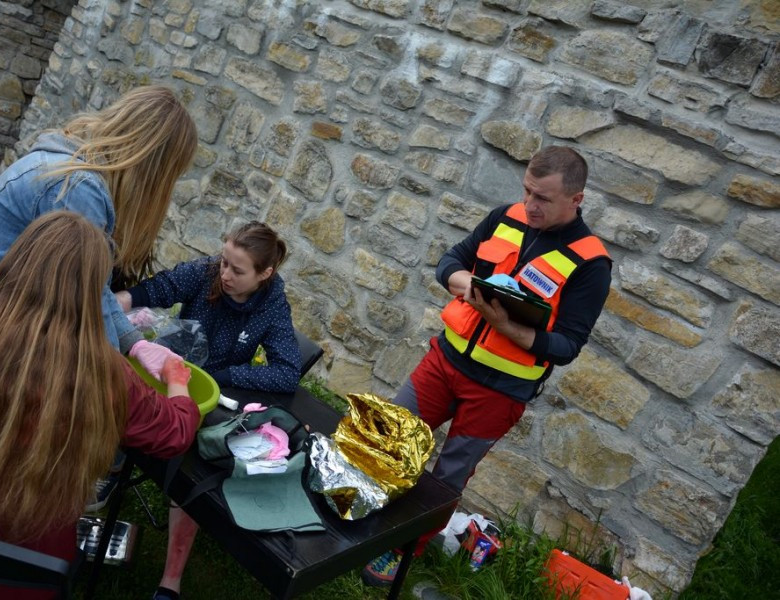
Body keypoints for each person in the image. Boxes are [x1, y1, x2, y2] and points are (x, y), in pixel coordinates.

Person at [0, 212, 201, 599]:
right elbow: (175, 431)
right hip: (20, 580)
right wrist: (177, 379)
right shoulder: (103, 375)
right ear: (91, 290)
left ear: (12, 265)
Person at [362, 146, 613, 587]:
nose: (530, 205)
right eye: (527, 191)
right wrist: (471, 287)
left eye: (544, 198)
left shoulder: (592, 263)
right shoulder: (505, 217)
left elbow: (568, 345)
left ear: (577, 199)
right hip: (445, 361)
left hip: (500, 392)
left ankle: (400, 552)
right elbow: (449, 263)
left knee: (448, 477)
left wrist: (506, 324)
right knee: (388, 433)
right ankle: (360, 511)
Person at [0, 84, 198, 356]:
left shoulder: (71, 164)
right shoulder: (79, 189)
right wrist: (118, 374)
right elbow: (86, 300)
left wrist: (134, 346)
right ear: (156, 168)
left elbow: (95, 289)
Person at [116, 220, 301, 600]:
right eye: (224, 262)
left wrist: (223, 374)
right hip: (164, 373)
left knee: (192, 471)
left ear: (265, 274)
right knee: (114, 405)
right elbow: (161, 287)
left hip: (209, 396)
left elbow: (286, 372)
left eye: (237, 269)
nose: (225, 274)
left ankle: (171, 580)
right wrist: (123, 302)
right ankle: (108, 475)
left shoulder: (272, 306)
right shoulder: (205, 273)